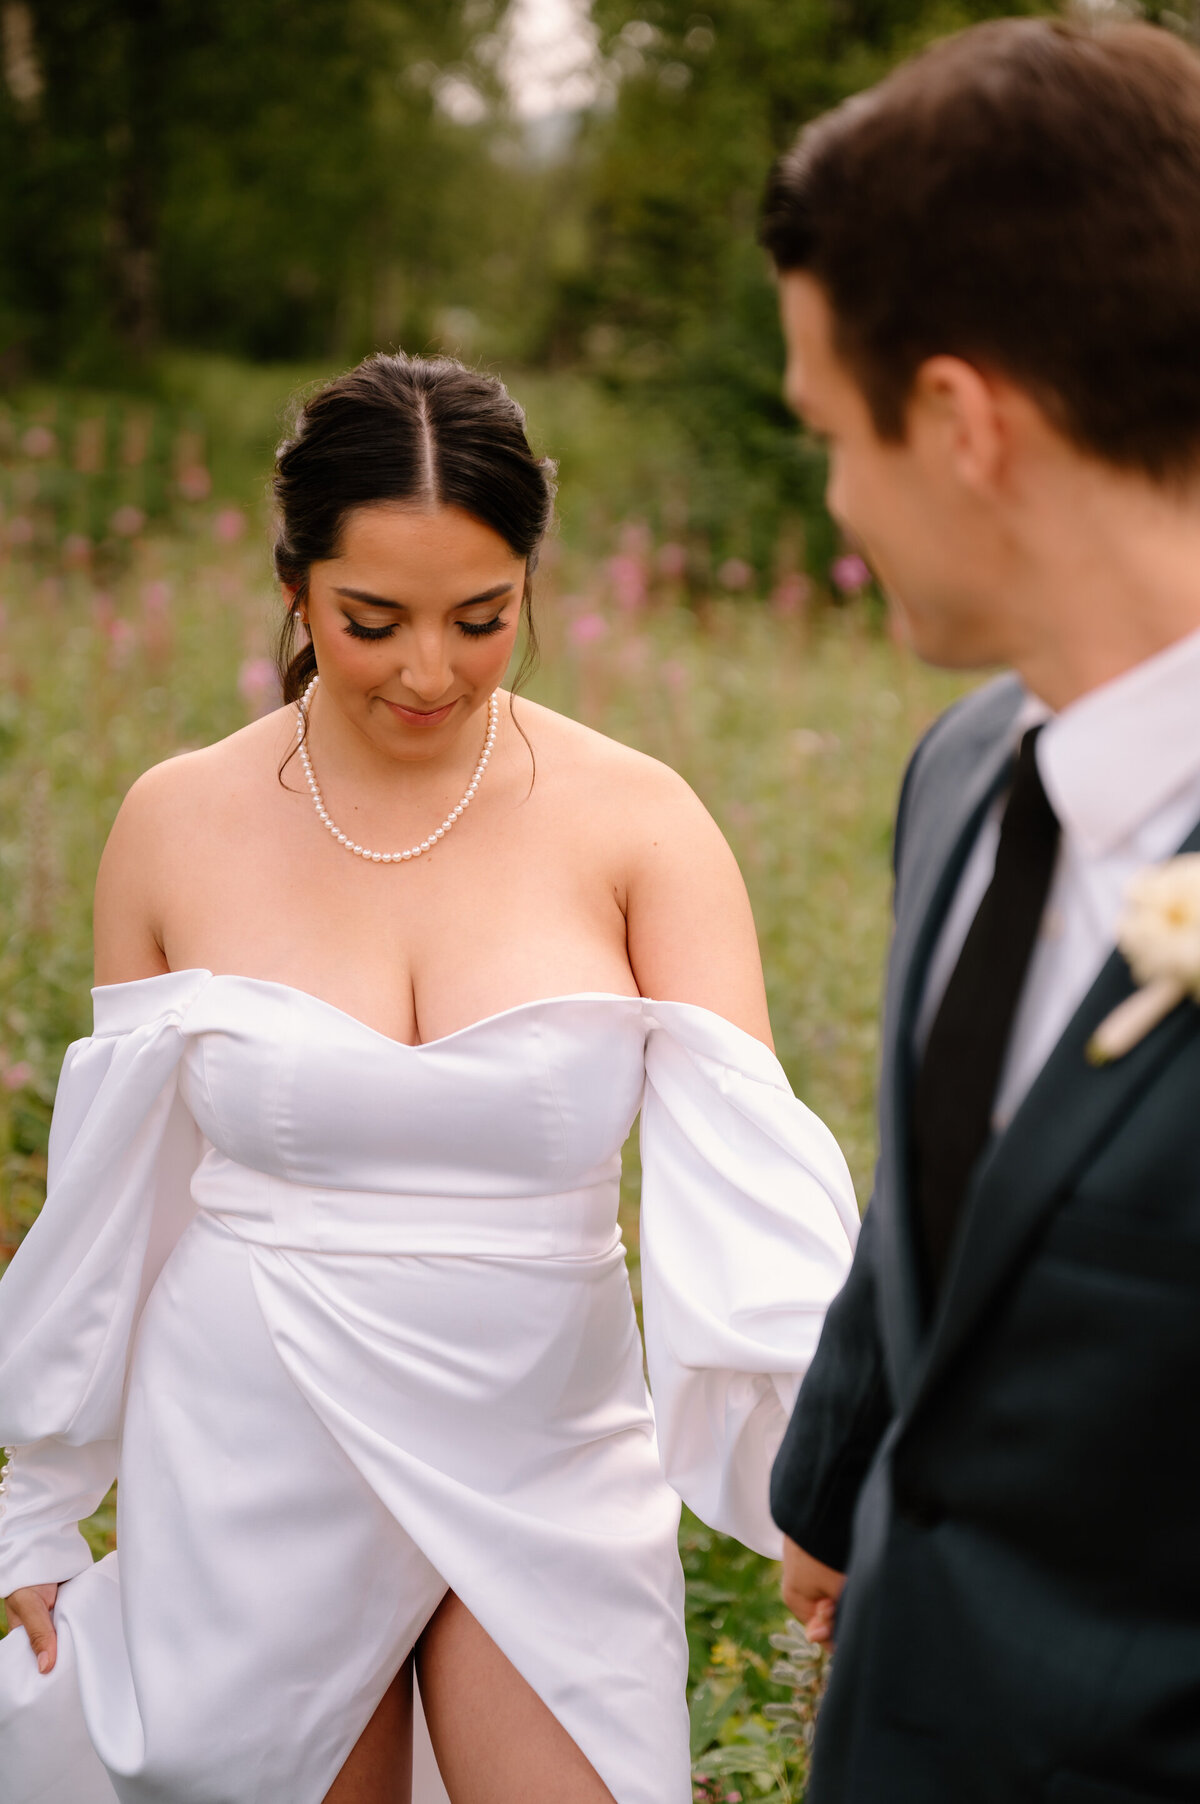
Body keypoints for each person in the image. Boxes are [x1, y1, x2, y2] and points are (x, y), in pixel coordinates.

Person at [0, 353, 859, 1804]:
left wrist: (830, 1476)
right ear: (294, 585)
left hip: (545, 1435)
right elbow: (111, 1193)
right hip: (251, 1432)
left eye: (483, 619)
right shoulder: (177, 820)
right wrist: (37, 1496)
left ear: (531, 581)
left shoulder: (640, 821)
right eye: (371, 620)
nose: (428, 672)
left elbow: (752, 1180)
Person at [762, 16, 1200, 1802]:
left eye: (829, 433)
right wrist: (828, 1489)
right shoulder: (959, 771)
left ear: (960, 425)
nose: (838, 499)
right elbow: (952, 1186)